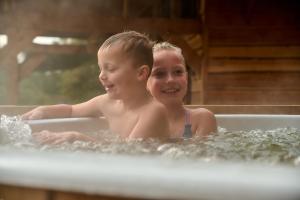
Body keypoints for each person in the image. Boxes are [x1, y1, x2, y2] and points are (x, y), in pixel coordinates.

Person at [22, 31, 170, 144]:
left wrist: (77, 137)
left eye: (110, 69)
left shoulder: (154, 111)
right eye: (101, 69)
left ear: (141, 73)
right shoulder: (106, 102)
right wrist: (44, 111)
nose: (101, 76)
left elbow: (128, 155)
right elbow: (72, 110)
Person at [147, 42, 217, 138]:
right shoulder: (141, 123)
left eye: (178, 72)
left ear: (186, 77)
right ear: (145, 82)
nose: (170, 79)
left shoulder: (202, 118)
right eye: (160, 74)